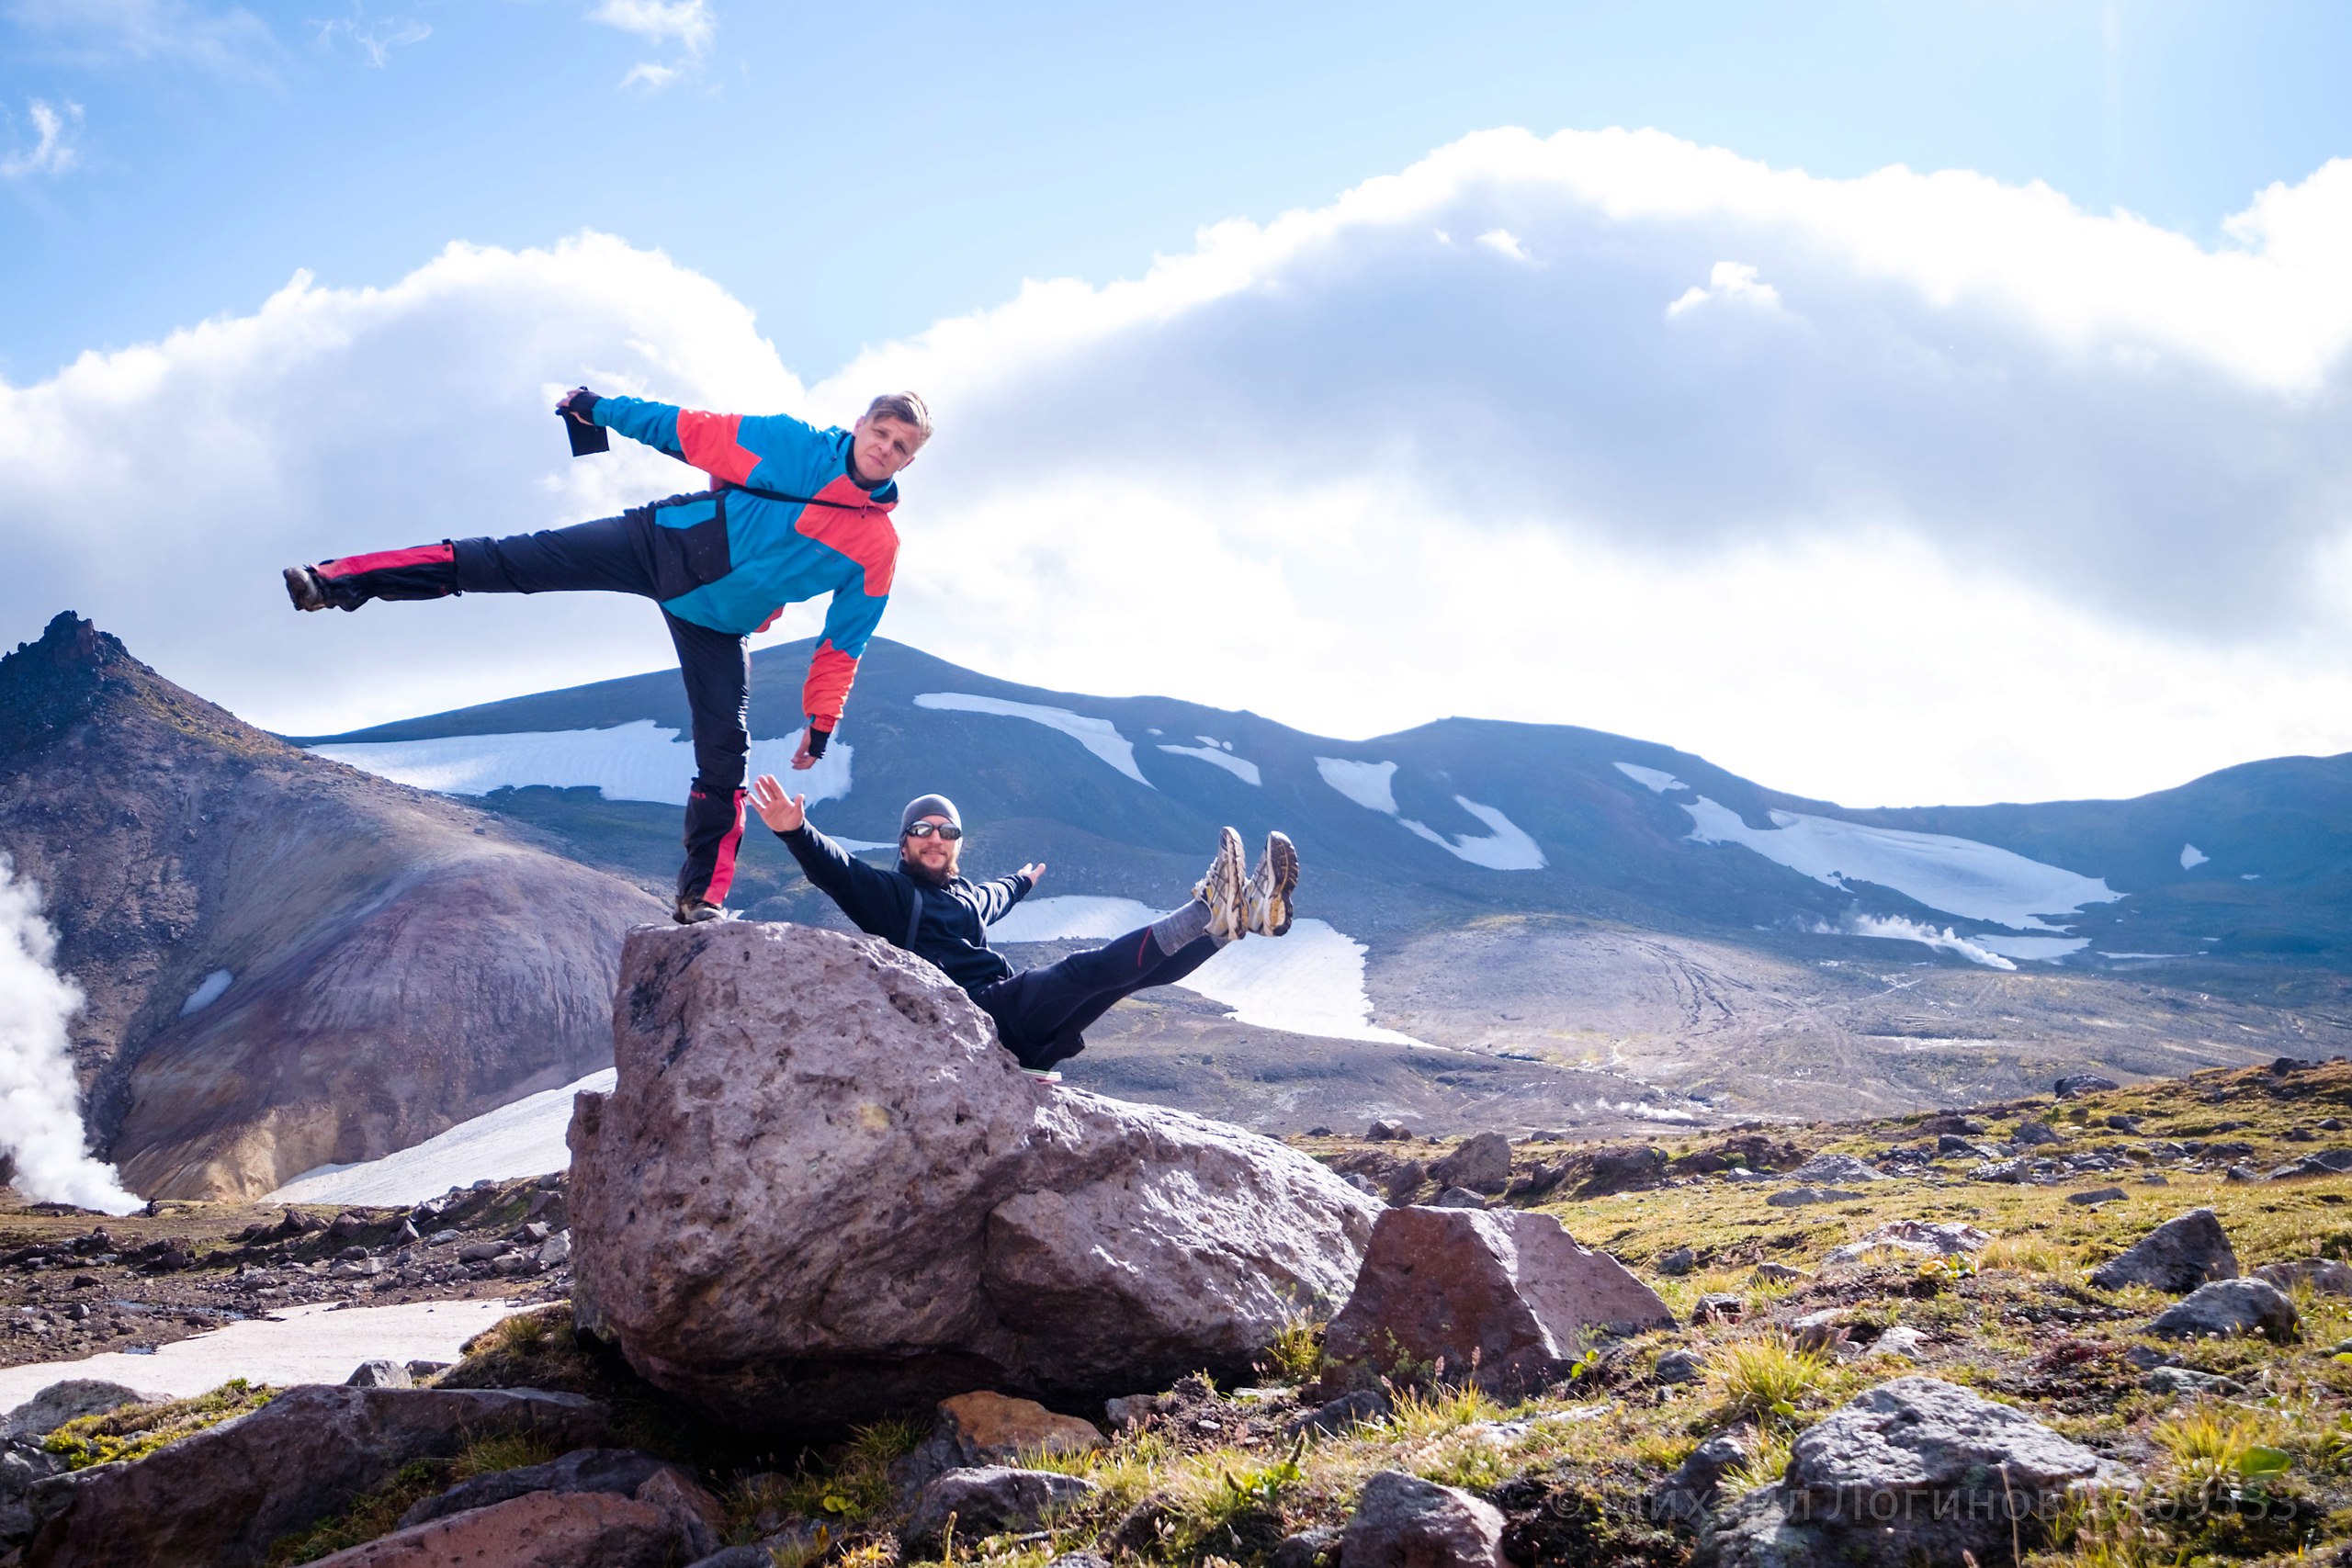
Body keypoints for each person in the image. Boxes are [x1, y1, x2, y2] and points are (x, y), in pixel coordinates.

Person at [282, 387, 930, 925]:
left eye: (901, 446)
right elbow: (684, 429)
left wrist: (821, 722)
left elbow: (845, 638)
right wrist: (598, 408)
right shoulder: (787, 444)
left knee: (724, 749)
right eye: (881, 431)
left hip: (718, 623)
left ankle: (701, 899)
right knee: (510, 560)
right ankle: (334, 580)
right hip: (658, 544)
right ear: (860, 424)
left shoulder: (878, 545)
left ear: (908, 460)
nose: (885, 448)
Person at [750, 774, 1299, 1075]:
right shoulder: (892, 895)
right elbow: (838, 871)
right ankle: (1209, 905)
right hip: (973, 1016)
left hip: (1023, 1036)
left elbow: (994, 897)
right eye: (922, 828)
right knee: (1084, 969)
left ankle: (1238, 920)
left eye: (946, 830)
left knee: (1130, 976)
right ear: (904, 840)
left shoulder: (964, 895)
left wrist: (1022, 882)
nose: (934, 837)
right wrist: (796, 832)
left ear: (959, 843)